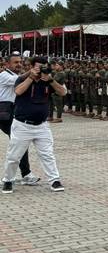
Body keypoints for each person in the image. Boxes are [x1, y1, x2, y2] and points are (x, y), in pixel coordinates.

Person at [2, 56, 67, 194]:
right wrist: (31, 77)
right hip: (22, 125)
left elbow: (63, 92)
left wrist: (50, 80)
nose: (40, 69)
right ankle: (8, 180)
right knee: (14, 156)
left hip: (42, 126)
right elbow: (18, 91)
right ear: (31, 66)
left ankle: (54, 180)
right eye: (37, 66)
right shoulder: (22, 79)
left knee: (47, 154)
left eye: (43, 66)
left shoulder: (48, 81)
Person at [0, 53, 40, 187]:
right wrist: (33, 71)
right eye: (15, 62)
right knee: (19, 142)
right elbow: (20, 80)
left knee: (18, 142)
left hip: (11, 111)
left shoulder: (13, 75)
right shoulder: (5, 75)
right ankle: (25, 174)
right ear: (7, 65)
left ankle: (25, 173)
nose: (19, 64)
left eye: (20, 62)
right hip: (5, 111)